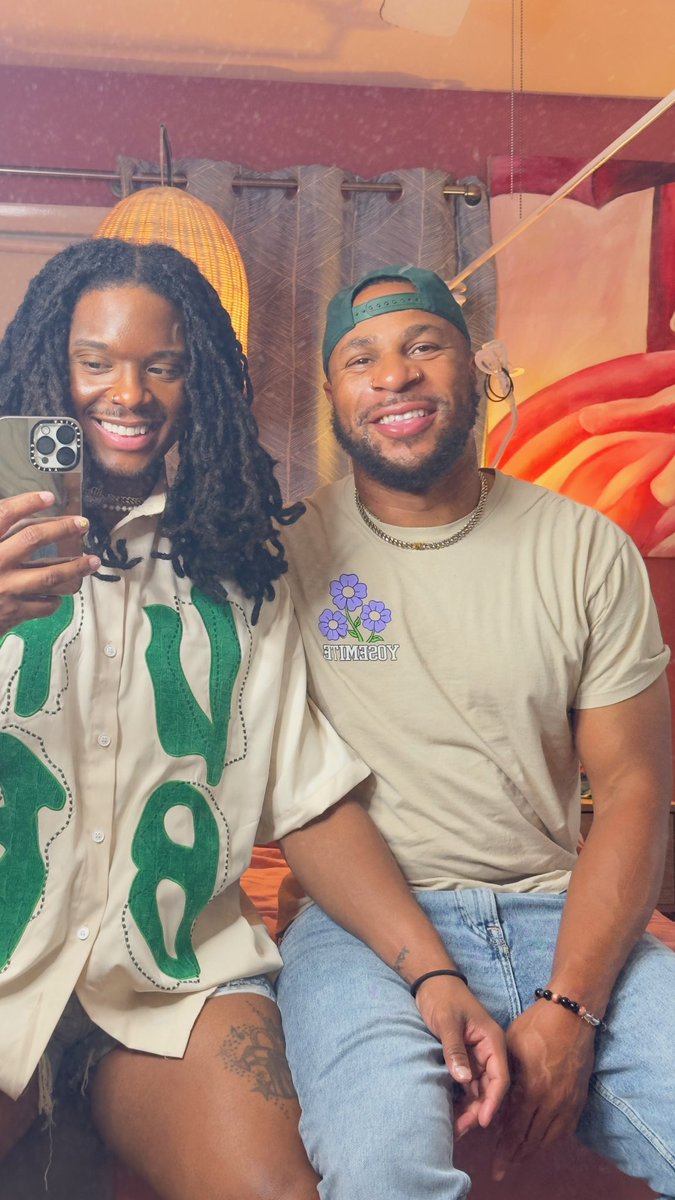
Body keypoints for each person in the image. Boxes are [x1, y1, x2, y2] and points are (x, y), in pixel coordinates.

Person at [0, 243, 511, 1199]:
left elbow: (304, 796)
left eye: (163, 365)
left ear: (197, 381)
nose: (129, 393)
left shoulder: (238, 564)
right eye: (94, 361)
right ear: (46, 367)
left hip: (173, 979)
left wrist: (430, 972)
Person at [277, 265, 675, 1199]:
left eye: (424, 345)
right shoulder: (282, 554)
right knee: (382, 1167)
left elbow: (631, 788)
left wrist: (571, 1005)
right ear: (332, 394)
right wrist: (428, 973)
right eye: (360, 359)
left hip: (556, 911)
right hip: (358, 934)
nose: (394, 376)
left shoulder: (584, 548)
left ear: (480, 368)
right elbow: (297, 793)